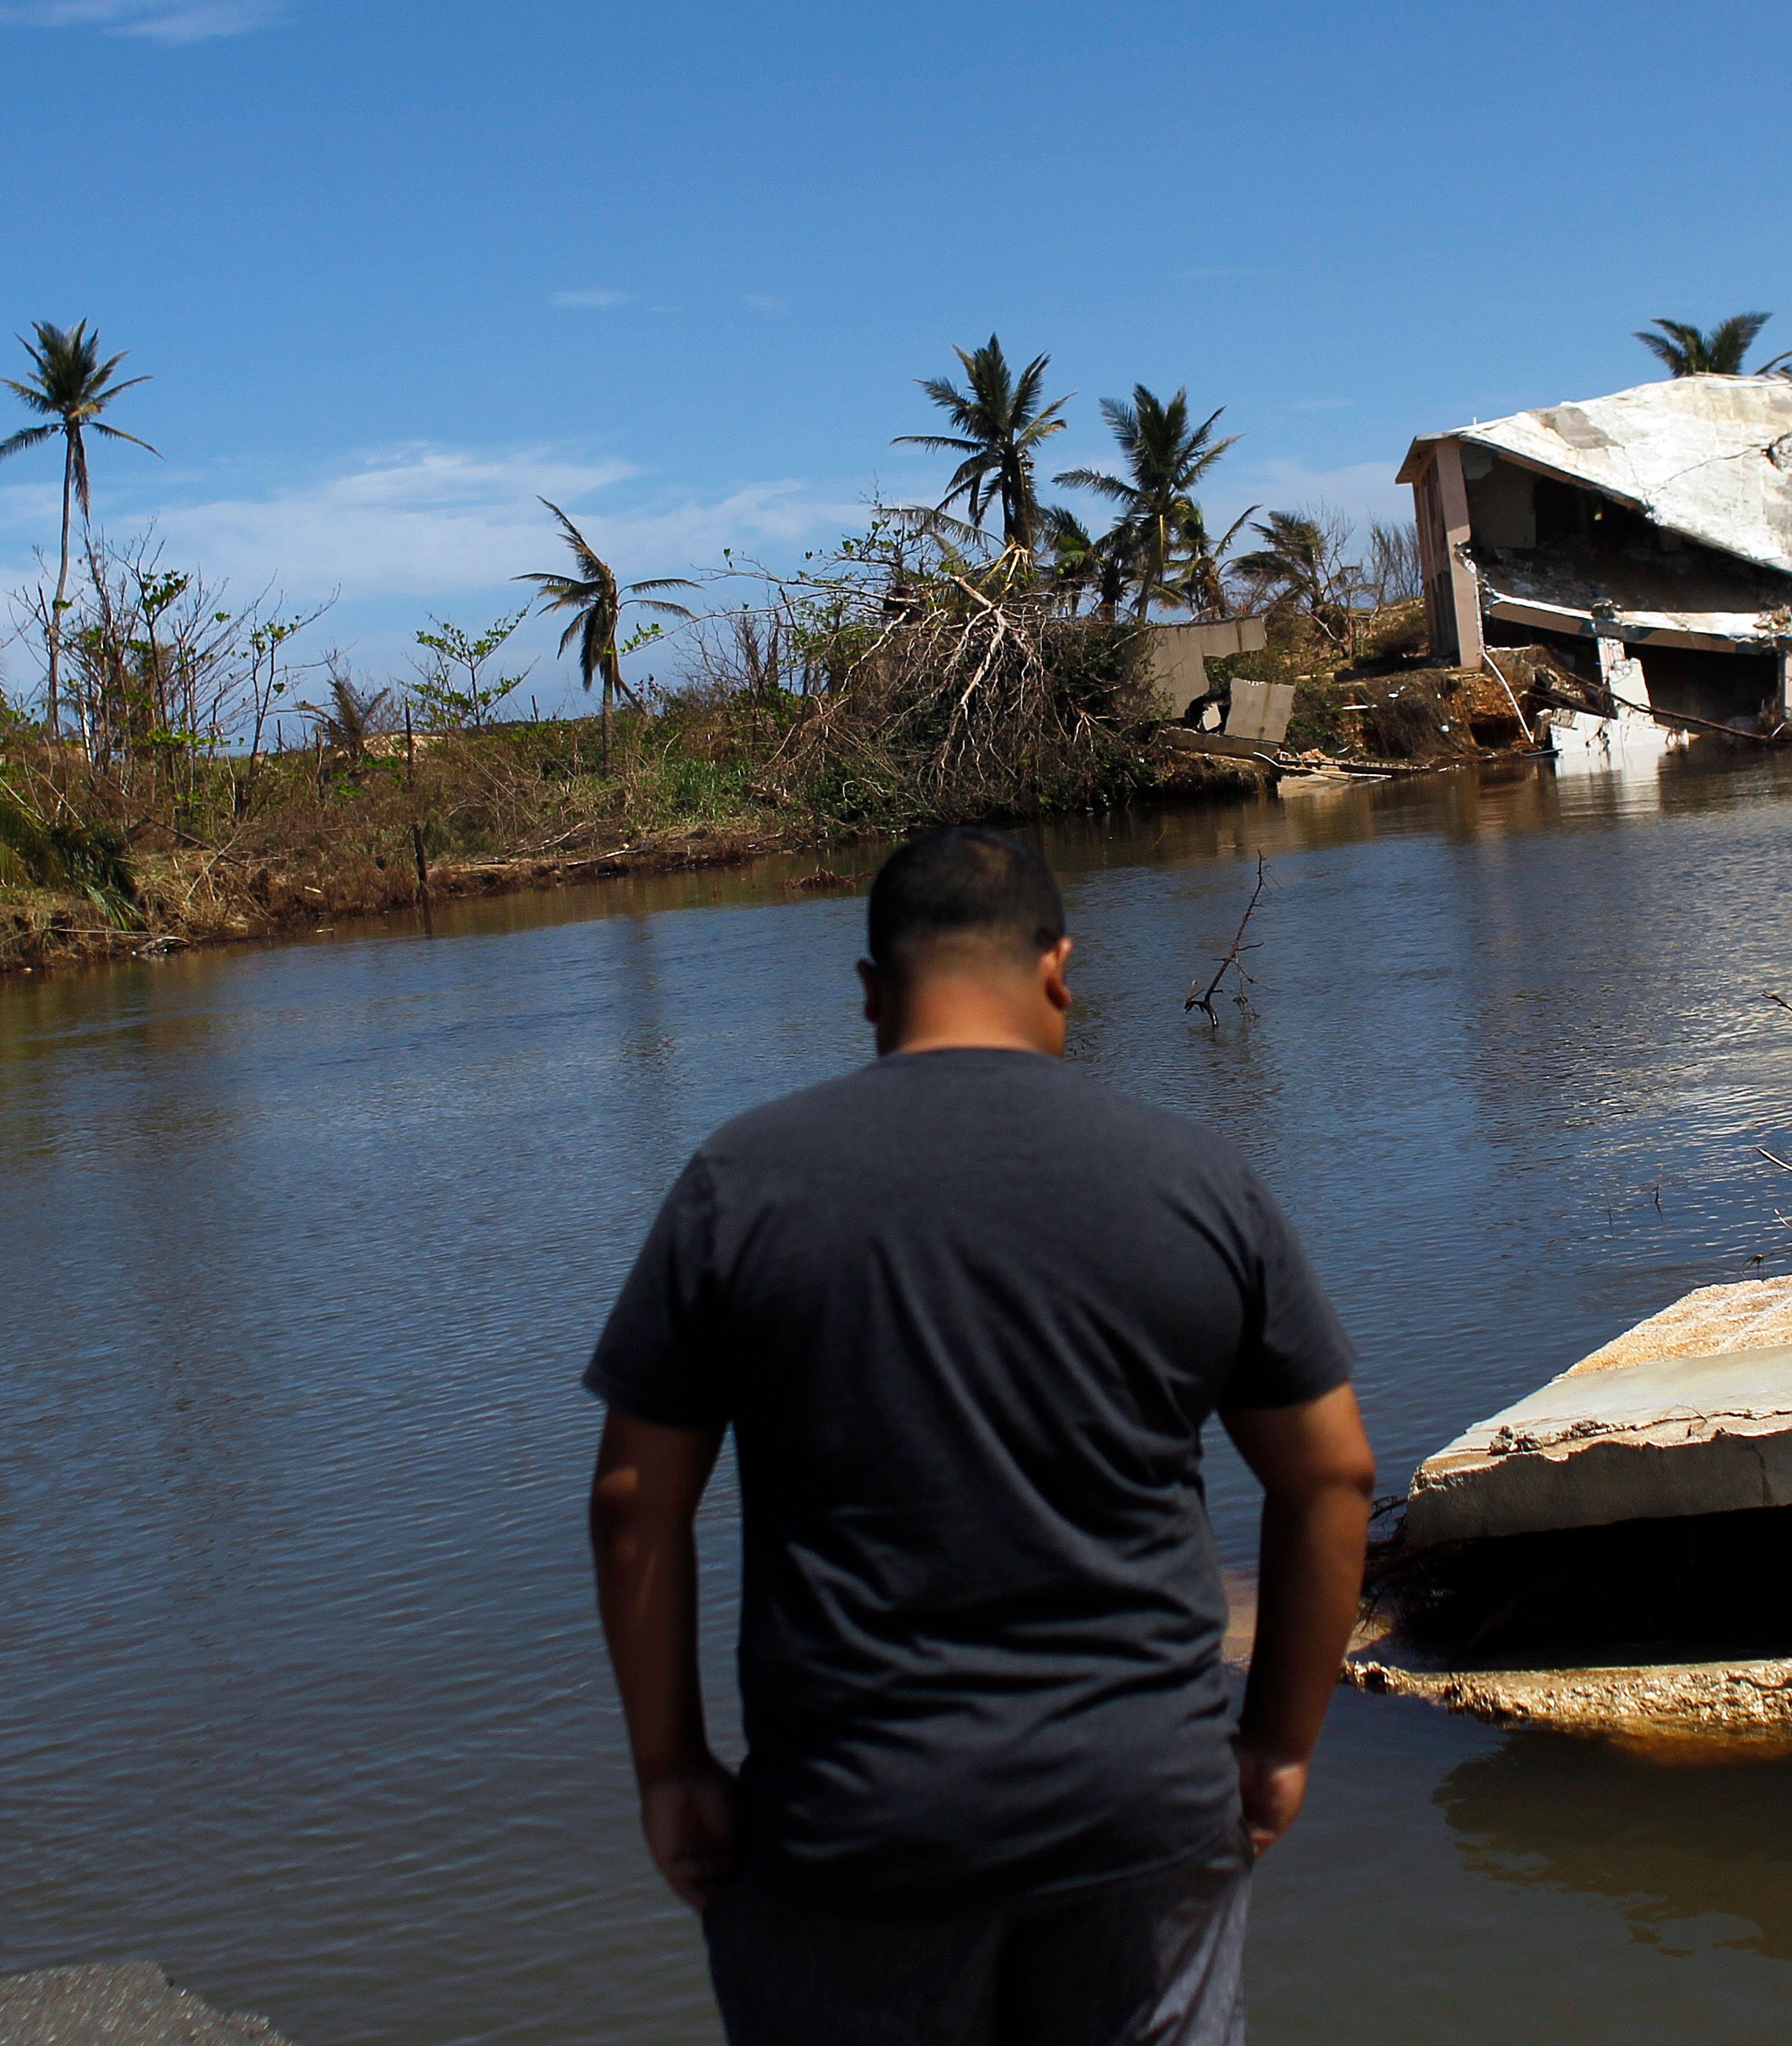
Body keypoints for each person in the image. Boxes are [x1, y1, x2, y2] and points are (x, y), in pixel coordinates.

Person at [585, 825, 1375, 2046]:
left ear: (867, 993)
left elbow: (636, 1501)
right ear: (1061, 968)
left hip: (853, 1826)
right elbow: (1331, 1477)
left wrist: (670, 1768)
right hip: (1138, 1809)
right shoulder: (1197, 1182)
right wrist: (1275, 1743)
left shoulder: (740, 1186)